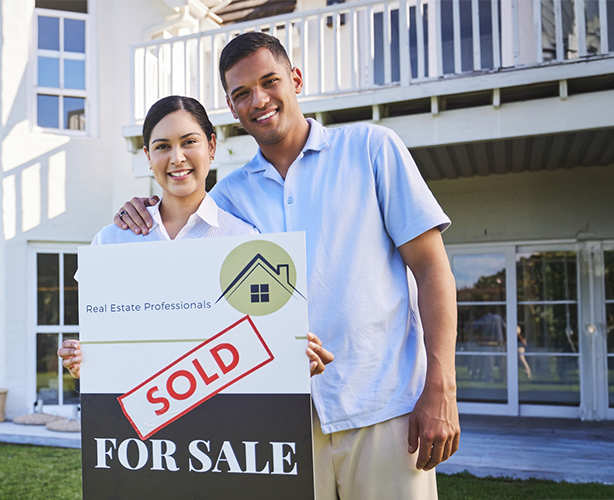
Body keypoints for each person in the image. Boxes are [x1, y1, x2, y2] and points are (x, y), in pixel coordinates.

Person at [114, 33, 459, 499]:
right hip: (283, 423)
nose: (258, 100)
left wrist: (441, 386)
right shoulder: (228, 198)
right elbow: (190, 296)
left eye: (269, 81)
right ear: (232, 107)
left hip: (384, 408)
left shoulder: (372, 148)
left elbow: (431, 267)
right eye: (241, 93)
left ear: (294, 79)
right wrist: (142, 210)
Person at [58, 94, 334, 380]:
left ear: (211, 146)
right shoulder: (111, 242)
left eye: (189, 142)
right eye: (163, 146)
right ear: (148, 157)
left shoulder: (244, 240)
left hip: (222, 418)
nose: (177, 158)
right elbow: (105, 346)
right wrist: (82, 362)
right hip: (140, 415)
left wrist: (294, 355)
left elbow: (260, 347)